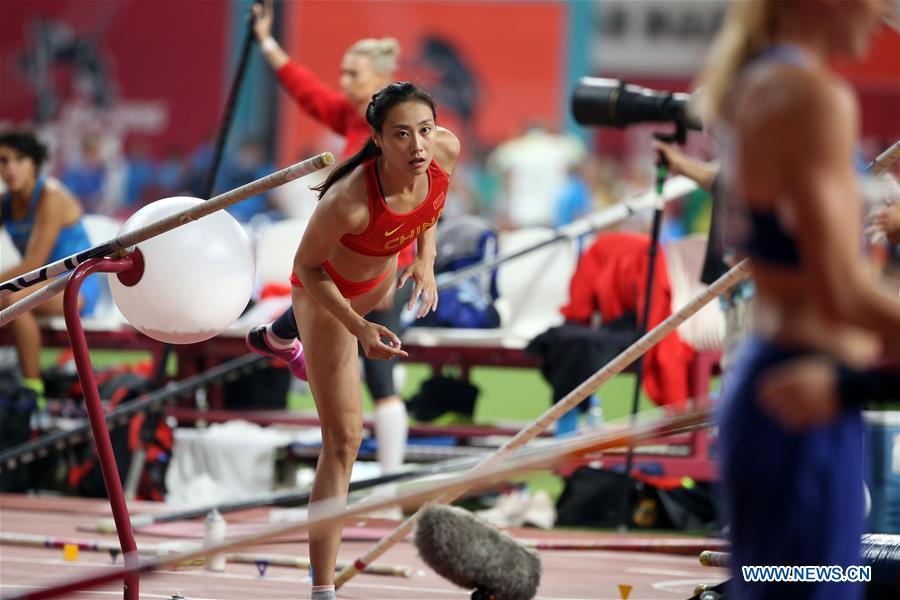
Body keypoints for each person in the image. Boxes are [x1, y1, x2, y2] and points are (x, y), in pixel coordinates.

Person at [697, 1, 900, 598]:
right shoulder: (808, 95)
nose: (884, 12)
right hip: (802, 400)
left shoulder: (764, 84)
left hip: (799, 390)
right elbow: (843, 289)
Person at [284, 82, 458, 600]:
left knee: (370, 394)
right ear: (378, 140)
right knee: (343, 443)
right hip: (328, 300)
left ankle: (285, 344)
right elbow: (306, 267)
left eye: (424, 131)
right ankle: (322, 590)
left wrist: (425, 261)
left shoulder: (444, 151)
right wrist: (357, 328)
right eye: (402, 136)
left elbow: (430, 204)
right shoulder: (348, 202)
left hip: (385, 277)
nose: (418, 147)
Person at [246, 0, 413, 491]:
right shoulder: (351, 116)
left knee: (381, 378)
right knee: (349, 370)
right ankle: (281, 335)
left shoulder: (395, 129)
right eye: (341, 71)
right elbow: (307, 92)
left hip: (385, 266)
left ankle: (389, 487)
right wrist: (267, 43)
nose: (342, 80)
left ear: (381, 76)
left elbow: (415, 200)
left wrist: (401, 266)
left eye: (352, 72)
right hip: (353, 261)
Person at [0, 131, 100, 418]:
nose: (10, 168)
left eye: (19, 160)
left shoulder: (51, 197)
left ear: (34, 164)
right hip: (35, 287)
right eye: (3, 161)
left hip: (76, 285)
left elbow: (34, 263)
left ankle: (34, 395)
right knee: (13, 298)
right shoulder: (6, 202)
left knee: (12, 302)